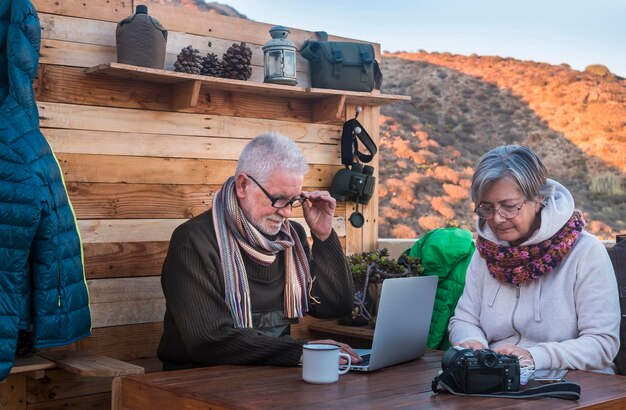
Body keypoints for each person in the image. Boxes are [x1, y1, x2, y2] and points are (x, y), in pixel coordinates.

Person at [157, 132, 360, 370]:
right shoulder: (194, 241)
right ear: (243, 185)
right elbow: (208, 340)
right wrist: (299, 351)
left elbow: (335, 306)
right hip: (199, 380)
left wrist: (324, 237)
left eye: (293, 200)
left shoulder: (290, 239)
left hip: (273, 374)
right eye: (278, 199)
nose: (286, 213)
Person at [449, 145, 621, 372]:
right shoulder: (486, 252)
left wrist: (534, 356)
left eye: (509, 207)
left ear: (539, 198)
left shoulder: (585, 252)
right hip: (496, 378)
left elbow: (602, 344)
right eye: (487, 208)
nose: (497, 219)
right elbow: (464, 320)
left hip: (572, 382)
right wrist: (474, 344)